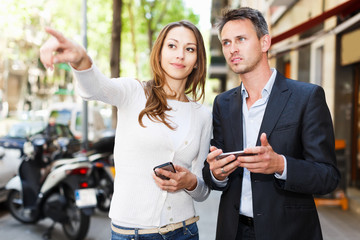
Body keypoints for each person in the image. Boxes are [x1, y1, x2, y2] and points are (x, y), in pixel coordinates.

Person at [40, 20, 212, 240]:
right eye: (172, 46)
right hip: (132, 234)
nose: (180, 55)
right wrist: (81, 59)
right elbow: (95, 87)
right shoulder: (134, 92)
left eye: (189, 49)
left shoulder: (203, 115)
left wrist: (190, 182)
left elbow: (203, 190)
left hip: (185, 231)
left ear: (197, 61)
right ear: (159, 53)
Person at [202, 7, 340, 240]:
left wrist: (280, 165)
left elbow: (328, 176)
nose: (232, 49)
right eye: (226, 42)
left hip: (288, 232)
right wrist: (217, 173)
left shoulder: (307, 97)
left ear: (264, 42)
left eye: (241, 39)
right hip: (233, 231)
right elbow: (213, 172)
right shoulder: (222, 103)